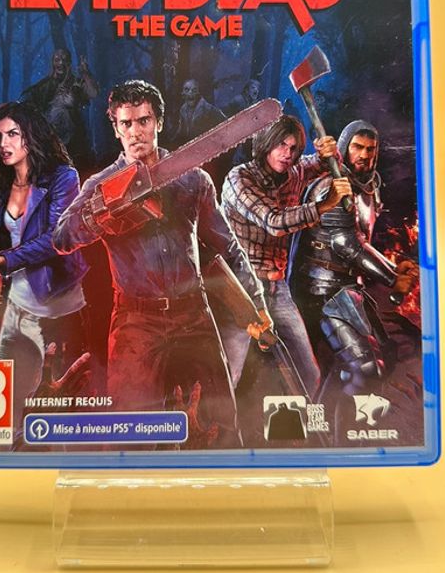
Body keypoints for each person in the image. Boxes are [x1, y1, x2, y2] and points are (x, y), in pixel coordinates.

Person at [53, 79, 267, 448]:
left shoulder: (193, 178)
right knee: (127, 436)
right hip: (136, 322)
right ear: (116, 128)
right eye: (126, 123)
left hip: (194, 314)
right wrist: (101, 213)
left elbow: (228, 247)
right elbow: (61, 239)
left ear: (159, 123)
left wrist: (257, 302)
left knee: (221, 430)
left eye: (144, 121)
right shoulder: (99, 185)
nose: (136, 132)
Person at [0, 101, 89, 433]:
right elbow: (11, 236)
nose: (3, 143)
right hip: (15, 306)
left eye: (13, 134)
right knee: (7, 408)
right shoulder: (4, 184)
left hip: (55, 310)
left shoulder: (63, 178)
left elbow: (55, 239)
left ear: (31, 137)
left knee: (58, 412)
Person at [288, 120, 417, 406]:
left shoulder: (368, 187)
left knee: (387, 354)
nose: (364, 155)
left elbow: (360, 239)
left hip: (347, 288)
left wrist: (393, 270)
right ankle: (330, 423)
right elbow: (346, 244)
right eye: (358, 147)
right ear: (345, 148)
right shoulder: (331, 188)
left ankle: (330, 416)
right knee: (365, 368)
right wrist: (392, 278)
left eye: (371, 149)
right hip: (322, 292)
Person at [221, 115, 346, 399]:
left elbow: (323, 163)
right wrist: (324, 205)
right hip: (239, 288)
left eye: (293, 148)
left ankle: (301, 423)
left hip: (277, 289)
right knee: (228, 374)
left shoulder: (294, 172)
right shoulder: (239, 179)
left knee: (308, 373)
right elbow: (274, 222)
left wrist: (330, 153)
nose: (287, 154)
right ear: (266, 144)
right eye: (281, 145)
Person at [22, 48, 99, 172]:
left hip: (75, 143)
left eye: (64, 59)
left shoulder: (76, 83)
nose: (61, 63)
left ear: (69, 62)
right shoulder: (43, 86)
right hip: (50, 144)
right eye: (57, 59)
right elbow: (27, 103)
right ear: (52, 62)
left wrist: (85, 72)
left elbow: (93, 93)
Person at [173, 78, 225, 147]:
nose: (190, 93)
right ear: (183, 93)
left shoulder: (208, 109)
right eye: (186, 90)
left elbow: (225, 125)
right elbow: (181, 131)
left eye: (194, 90)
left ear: (199, 93)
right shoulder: (183, 110)